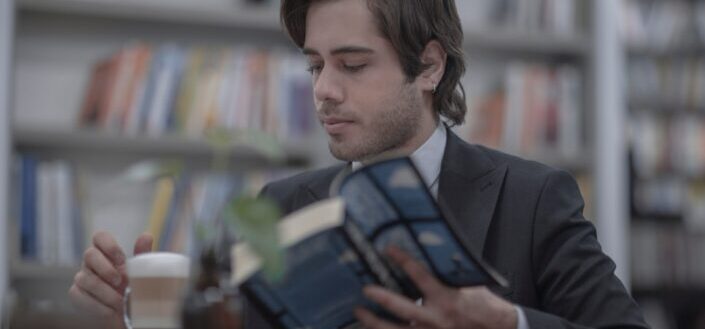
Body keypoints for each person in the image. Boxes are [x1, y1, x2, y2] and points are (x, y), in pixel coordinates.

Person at [70, 0, 649, 328]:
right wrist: (131, 315)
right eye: (314, 65)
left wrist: (509, 326)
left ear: (429, 68)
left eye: (351, 65)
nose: (323, 90)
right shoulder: (281, 205)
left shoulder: (533, 196)